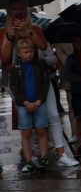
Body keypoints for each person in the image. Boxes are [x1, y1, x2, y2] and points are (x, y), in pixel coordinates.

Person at [2, 0, 75, 165]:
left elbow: (43, 47)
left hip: (40, 79)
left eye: (22, 9)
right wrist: (9, 35)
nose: (18, 12)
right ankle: (30, 159)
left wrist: (27, 32)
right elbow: (5, 57)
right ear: (8, 12)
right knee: (26, 126)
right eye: (14, 10)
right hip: (18, 83)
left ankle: (61, 153)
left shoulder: (35, 29)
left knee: (53, 116)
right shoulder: (4, 31)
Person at [10, 39, 51, 172]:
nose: (29, 54)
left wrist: (39, 100)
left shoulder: (40, 64)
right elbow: (14, 87)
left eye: (31, 51)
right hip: (24, 105)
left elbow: (45, 84)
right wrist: (25, 102)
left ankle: (44, 158)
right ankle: (28, 161)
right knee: (26, 132)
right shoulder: (15, 68)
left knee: (41, 130)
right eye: (25, 52)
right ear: (19, 53)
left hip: (39, 103)